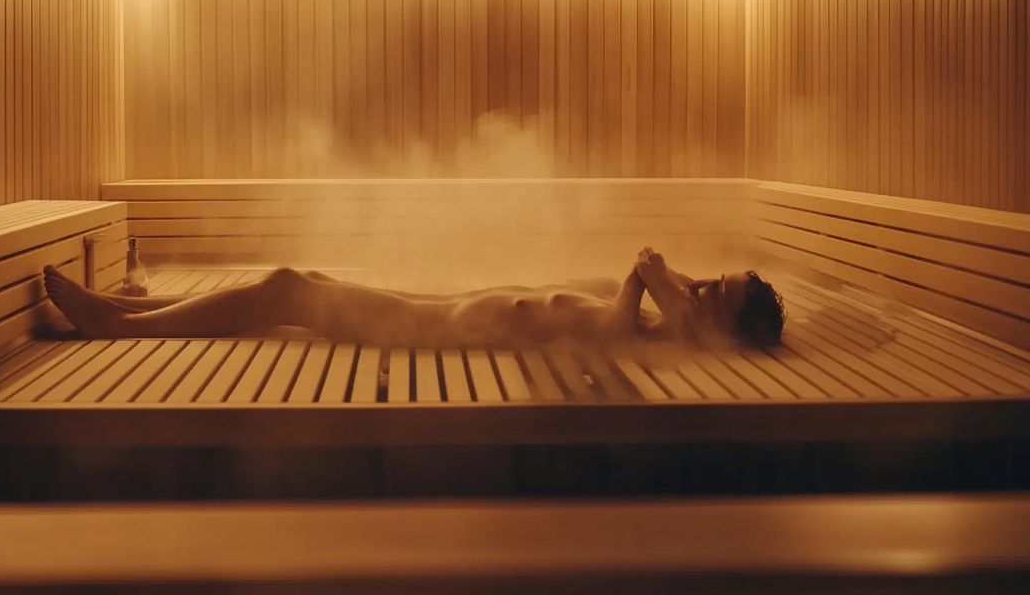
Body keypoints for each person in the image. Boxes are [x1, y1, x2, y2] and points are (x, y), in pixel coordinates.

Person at [43, 247, 785, 349]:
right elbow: (650, 274)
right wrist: (661, 282)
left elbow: (650, 264)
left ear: (718, 318)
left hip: (427, 333)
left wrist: (656, 273)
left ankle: (116, 327)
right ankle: (131, 310)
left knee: (286, 290)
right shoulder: (666, 325)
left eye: (717, 289)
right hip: (436, 304)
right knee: (307, 281)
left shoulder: (655, 336)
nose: (701, 282)